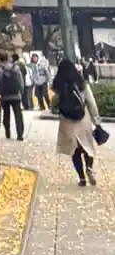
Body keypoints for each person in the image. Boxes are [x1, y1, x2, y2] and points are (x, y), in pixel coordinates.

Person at [53, 54, 100, 187]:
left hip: (67, 121)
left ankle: (82, 178)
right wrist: (96, 120)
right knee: (88, 147)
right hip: (83, 119)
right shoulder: (82, 83)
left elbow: (55, 104)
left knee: (75, 151)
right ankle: (89, 168)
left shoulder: (58, 85)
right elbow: (91, 103)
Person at [0, 51, 25, 141]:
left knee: (6, 114)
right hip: (15, 94)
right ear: (8, 58)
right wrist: (21, 91)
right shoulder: (15, 67)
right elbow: (20, 80)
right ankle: (20, 134)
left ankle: (7, 132)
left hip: (4, 95)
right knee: (18, 114)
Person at [30, 47, 51, 113]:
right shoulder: (32, 65)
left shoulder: (42, 64)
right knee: (38, 95)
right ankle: (42, 106)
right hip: (37, 82)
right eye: (33, 58)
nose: (34, 59)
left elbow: (47, 72)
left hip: (43, 81)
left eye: (35, 57)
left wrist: (48, 79)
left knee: (45, 94)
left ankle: (49, 105)